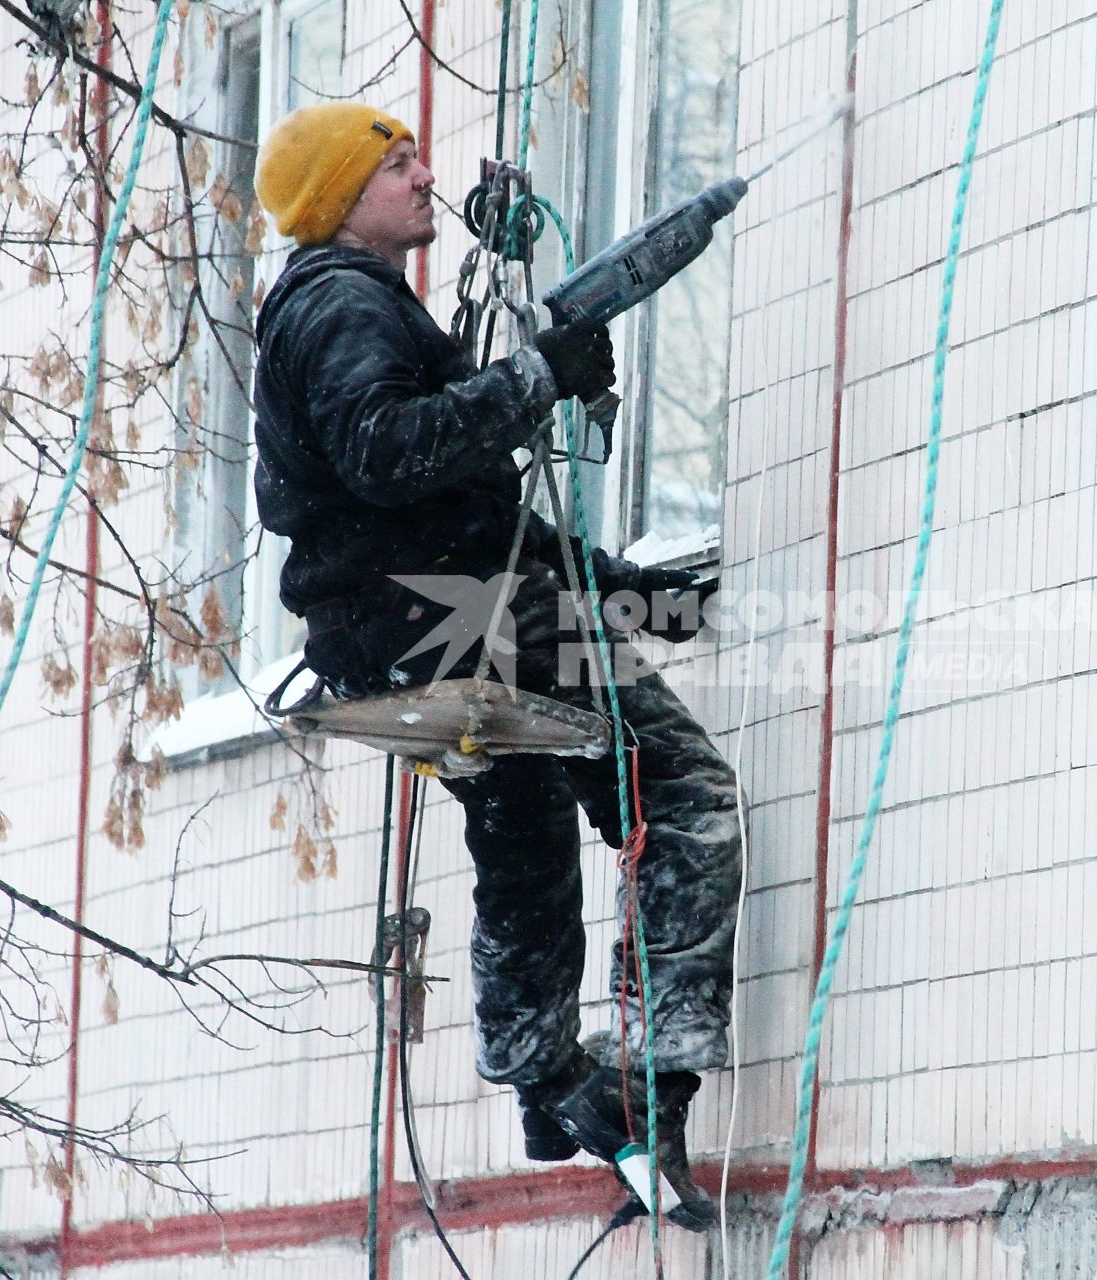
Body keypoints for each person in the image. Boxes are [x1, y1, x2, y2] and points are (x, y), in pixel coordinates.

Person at [249, 103, 739, 1230]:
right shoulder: (341, 305)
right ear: (340, 195)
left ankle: (550, 1079)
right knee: (686, 788)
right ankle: (651, 1078)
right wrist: (538, 378)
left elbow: (466, 520)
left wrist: (630, 591)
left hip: (394, 641)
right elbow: (389, 451)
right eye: (398, 161)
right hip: (456, 623)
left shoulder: (331, 309)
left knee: (518, 819)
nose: (424, 177)